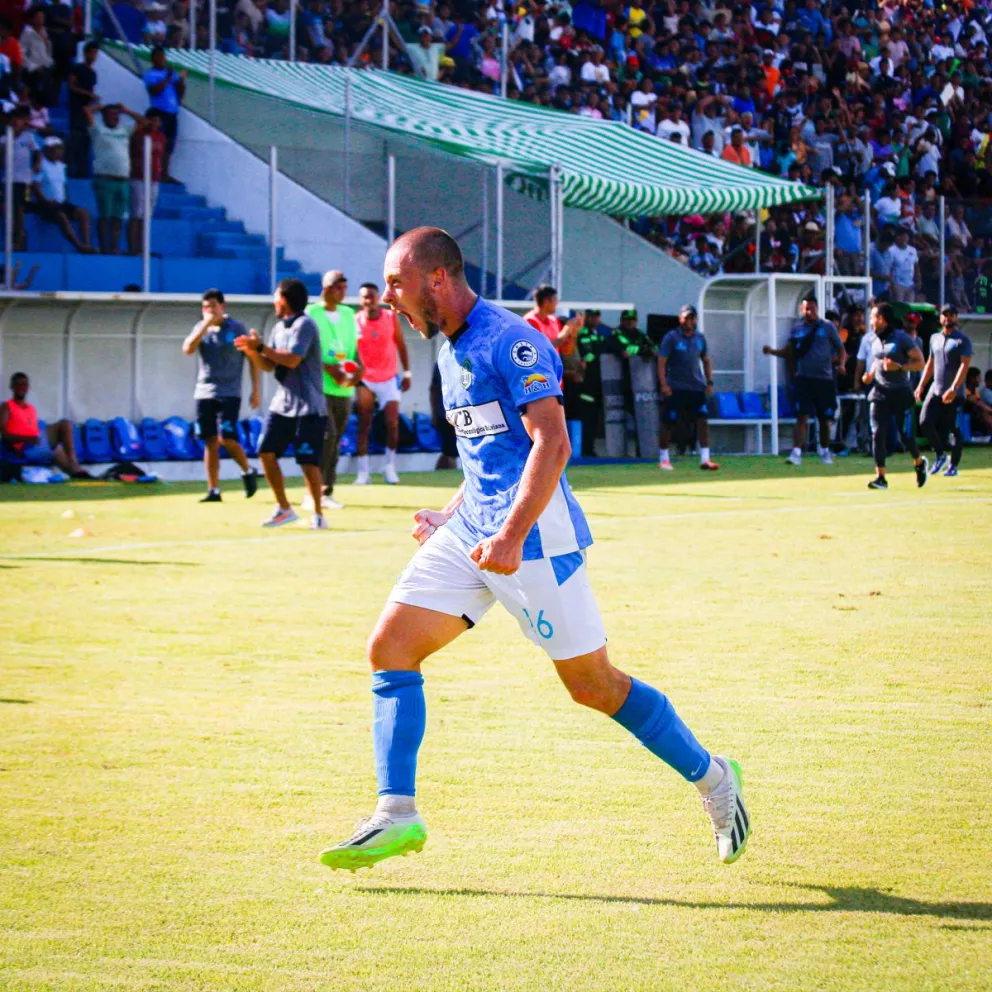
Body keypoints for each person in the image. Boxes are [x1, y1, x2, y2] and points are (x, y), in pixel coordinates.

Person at [318, 227, 751, 872]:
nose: (388, 299)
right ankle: (396, 815)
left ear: (438, 279)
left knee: (593, 687)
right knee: (391, 647)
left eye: (397, 283)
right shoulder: (447, 348)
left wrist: (512, 536)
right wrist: (452, 514)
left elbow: (551, 443)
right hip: (475, 535)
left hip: (534, 541)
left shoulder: (511, 340)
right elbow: (484, 459)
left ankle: (716, 780)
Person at [235, 279, 327, 527]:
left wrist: (262, 346)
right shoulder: (278, 328)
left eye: (276, 297)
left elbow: (293, 360)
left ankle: (318, 515)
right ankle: (284, 509)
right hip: (283, 405)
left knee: (308, 461)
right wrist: (253, 352)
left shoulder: (305, 324)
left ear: (285, 300)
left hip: (309, 406)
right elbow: (270, 365)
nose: (274, 302)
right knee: (265, 450)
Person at [182, 288, 260, 502]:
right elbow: (187, 349)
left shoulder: (236, 328)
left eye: (213, 307)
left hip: (230, 392)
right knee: (210, 441)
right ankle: (213, 490)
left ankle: (247, 469)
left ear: (222, 307)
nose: (209, 311)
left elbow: (252, 359)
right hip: (204, 392)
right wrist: (205, 325)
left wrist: (255, 390)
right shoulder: (201, 328)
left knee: (227, 438)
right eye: (205, 307)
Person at [305, 269, 364, 510]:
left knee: (336, 439)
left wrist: (358, 370)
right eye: (337, 287)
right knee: (325, 437)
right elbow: (306, 351)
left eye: (344, 287)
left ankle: (327, 491)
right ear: (326, 288)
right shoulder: (311, 313)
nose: (342, 291)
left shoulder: (349, 314)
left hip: (344, 388)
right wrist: (330, 369)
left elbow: (355, 349)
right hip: (319, 387)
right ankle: (313, 492)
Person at [763, 296, 845, 466]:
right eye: (806, 309)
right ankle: (796, 452)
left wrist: (842, 364)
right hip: (804, 379)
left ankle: (824, 450)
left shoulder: (827, 327)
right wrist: (772, 352)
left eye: (812, 308)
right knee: (801, 416)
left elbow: (841, 349)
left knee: (824, 418)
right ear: (802, 310)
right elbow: (789, 352)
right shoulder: (797, 329)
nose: (809, 312)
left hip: (824, 379)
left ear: (817, 309)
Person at [862, 303, 928, 490]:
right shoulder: (874, 340)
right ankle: (881, 477)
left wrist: (899, 367)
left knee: (906, 436)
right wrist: (870, 375)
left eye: (873, 317)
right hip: (880, 393)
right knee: (877, 433)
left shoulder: (902, 338)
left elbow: (920, 362)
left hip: (900, 393)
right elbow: (878, 359)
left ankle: (918, 462)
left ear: (882, 319)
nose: (870, 321)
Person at [355, 282, 411, 486]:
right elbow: (352, 353)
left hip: (389, 378)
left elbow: (401, 345)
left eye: (371, 296)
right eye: (364, 297)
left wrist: (407, 373)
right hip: (365, 379)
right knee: (364, 423)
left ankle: (389, 467)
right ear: (360, 300)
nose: (368, 300)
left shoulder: (390, 317)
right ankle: (363, 472)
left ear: (378, 297)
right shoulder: (355, 321)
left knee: (392, 424)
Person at [657, 304, 719, 471]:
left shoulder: (700, 338)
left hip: (696, 387)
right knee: (669, 421)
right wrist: (664, 384)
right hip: (676, 387)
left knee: (702, 420)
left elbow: (706, 360)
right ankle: (664, 459)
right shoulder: (671, 337)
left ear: (696, 319)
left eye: (692, 318)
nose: (689, 321)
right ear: (680, 319)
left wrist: (709, 381)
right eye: (686, 318)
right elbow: (662, 361)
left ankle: (705, 458)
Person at [916, 304, 972, 478]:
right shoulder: (935, 338)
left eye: (951, 315)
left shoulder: (962, 340)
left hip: (953, 392)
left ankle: (953, 465)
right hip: (936, 388)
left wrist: (954, 388)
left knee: (952, 429)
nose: (948, 318)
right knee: (925, 422)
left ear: (956, 318)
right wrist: (921, 385)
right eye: (945, 315)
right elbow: (930, 364)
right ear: (940, 318)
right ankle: (940, 455)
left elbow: (965, 365)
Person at [0, 372, 91, 478]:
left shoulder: (31, 409)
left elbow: (32, 431)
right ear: (12, 387)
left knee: (58, 449)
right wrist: (27, 439)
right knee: (64, 424)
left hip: (35, 444)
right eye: (18, 384)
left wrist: (33, 438)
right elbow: (4, 435)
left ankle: (77, 473)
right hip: (24, 448)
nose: (22, 387)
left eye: (24, 384)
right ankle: (74, 462)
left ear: (28, 387)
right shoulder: (6, 406)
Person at [84, 102, 145, 254]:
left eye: (116, 115)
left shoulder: (124, 130)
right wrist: (102, 106)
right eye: (111, 115)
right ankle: (104, 247)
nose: (115, 118)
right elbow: (87, 110)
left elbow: (143, 122)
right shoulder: (98, 129)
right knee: (105, 215)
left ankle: (114, 246)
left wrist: (126, 110)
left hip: (122, 179)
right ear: (104, 116)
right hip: (104, 179)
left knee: (118, 217)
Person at [30, 137, 95, 253]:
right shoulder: (41, 166)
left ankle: (86, 244)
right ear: (47, 150)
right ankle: (78, 245)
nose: (58, 152)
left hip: (61, 203)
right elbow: (36, 186)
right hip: (45, 204)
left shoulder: (61, 166)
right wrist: (45, 201)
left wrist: (66, 201)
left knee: (84, 213)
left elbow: (63, 187)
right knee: (61, 216)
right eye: (55, 149)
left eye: (60, 149)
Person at [142, 46, 185, 182]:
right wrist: (167, 78)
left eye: (163, 56)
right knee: (157, 143)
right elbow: (153, 91)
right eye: (159, 56)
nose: (162, 59)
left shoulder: (171, 74)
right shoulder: (151, 74)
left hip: (172, 113)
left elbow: (180, 94)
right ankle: (154, 172)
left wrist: (181, 81)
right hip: (159, 112)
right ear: (154, 59)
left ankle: (165, 173)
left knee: (169, 145)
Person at [128, 109, 167, 256]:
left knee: (147, 214)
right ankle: (133, 247)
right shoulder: (138, 134)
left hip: (154, 179)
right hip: (138, 177)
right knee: (136, 213)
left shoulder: (161, 137)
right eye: (152, 120)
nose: (155, 123)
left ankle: (143, 248)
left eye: (157, 121)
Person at [67, 40, 99, 178]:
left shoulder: (93, 73)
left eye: (95, 52)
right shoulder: (78, 68)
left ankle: (81, 173)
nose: (93, 55)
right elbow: (71, 86)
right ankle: (69, 171)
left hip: (86, 113)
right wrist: (88, 94)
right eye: (91, 52)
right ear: (86, 53)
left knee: (85, 144)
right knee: (75, 140)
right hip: (76, 110)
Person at [524, 285, 583, 353]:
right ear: (546, 301)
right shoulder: (530, 321)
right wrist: (564, 333)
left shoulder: (554, 321)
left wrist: (573, 332)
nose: (557, 303)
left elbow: (567, 350)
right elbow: (539, 351)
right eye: (555, 299)